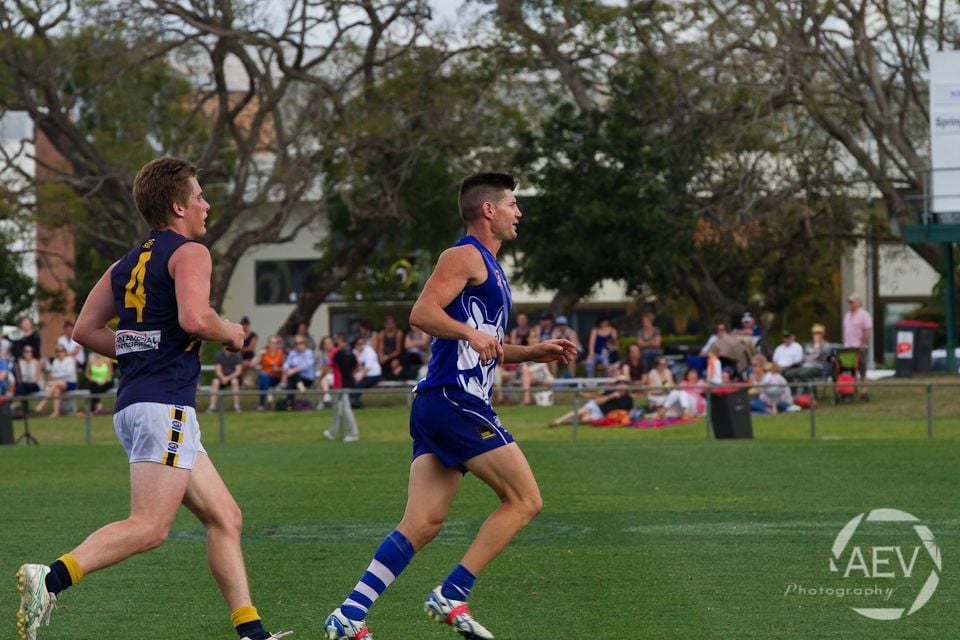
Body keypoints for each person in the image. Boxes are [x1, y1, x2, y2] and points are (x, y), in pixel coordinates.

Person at [15, 157, 288, 640]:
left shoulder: (125, 263)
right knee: (150, 527)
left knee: (226, 516)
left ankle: (253, 632)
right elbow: (195, 320)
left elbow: (84, 330)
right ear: (179, 205)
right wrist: (233, 333)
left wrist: (142, 348)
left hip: (140, 405)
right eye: (200, 196)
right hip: (164, 407)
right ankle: (50, 578)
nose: (206, 204)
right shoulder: (191, 253)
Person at [322, 172, 576, 640]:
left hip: (440, 403)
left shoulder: (493, 269)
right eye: (513, 204)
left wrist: (529, 352)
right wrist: (471, 333)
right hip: (455, 400)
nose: (519, 212)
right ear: (489, 211)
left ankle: (348, 616)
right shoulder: (463, 256)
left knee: (422, 523)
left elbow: (483, 343)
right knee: (525, 500)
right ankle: (453, 593)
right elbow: (421, 313)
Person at [549, 377, 633, 426]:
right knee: (581, 412)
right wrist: (611, 396)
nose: (621, 385)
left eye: (624, 383)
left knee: (585, 419)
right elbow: (597, 401)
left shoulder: (629, 399)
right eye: (619, 383)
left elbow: (626, 413)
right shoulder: (610, 391)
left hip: (602, 415)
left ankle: (564, 422)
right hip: (596, 407)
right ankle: (558, 420)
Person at [324, 334, 360, 442]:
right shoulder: (350, 352)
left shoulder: (336, 352)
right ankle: (332, 431)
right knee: (336, 407)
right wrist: (349, 376)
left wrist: (319, 378)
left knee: (345, 408)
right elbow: (357, 367)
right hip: (346, 383)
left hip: (340, 384)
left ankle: (354, 433)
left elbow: (328, 366)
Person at [33, 344, 78, 418]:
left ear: (65, 351)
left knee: (55, 383)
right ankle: (56, 412)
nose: (60, 353)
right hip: (59, 384)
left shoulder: (70, 359)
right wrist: (61, 374)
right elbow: (53, 375)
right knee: (56, 389)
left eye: (61, 351)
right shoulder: (55, 361)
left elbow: (69, 373)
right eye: (58, 351)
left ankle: (43, 403)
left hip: (70, 383)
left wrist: (58, 374)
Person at [843, 293, 873, 399]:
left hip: (859, 347)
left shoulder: (864, 315)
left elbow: (867, 330)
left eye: (852, 302)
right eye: (849, 302)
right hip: (848, 347)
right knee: (850, 369)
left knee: (862, 368)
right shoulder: (847, 315)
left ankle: (864, 390)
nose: (850, 304)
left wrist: (863, 344)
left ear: (858, 303)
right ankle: (851, 389)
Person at [282, 335, 316, 409]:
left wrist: (293, 370)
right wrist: (287, 372)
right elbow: (286, 365)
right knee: (291, 377)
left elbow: (307, 365)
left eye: (300, 343)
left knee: (292, 374)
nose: (298, 345)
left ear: (305, 343)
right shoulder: (292, 353)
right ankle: (290, 403)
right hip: (296, 379)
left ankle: (289, 403)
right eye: (296, 343)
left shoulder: (309, 352)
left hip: (307, 378)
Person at [253, 335, 285, 411]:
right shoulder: (264, 352)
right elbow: (252, 364)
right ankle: (268, 392)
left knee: (263, 380)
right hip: (265, 376)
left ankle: (261, 404)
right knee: (264, 376)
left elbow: (284, 368)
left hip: (276, 377)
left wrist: (278, 369)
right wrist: (259, 354)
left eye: (274, 343)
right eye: (271, 342)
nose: (272, 345)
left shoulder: (280, 353)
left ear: (277, 344)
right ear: (268, 343)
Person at [208, 345, 243, 413]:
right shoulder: (219, 355)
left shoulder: (237, 355)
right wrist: (223, 378)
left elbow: (238, 371)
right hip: (221, 378)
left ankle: (236, 406)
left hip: (232, 378)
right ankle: (212, 406)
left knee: (235, 381)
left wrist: (228, 378)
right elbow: (218, 370)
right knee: (215, 381)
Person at [351, 335, 382, 409]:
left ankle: (354, 401)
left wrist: (359, 378)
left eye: (362, 344)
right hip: (360, 374)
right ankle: (353, 401)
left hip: (373, 374)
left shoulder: (369, 351)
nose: (361, 346)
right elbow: (355, 367)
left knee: (359, 384)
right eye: (359, 344)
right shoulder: (354, 352)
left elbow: (367, 369)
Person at [377, 313, 405, 380]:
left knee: (394, 364)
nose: (389, 325)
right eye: (388, 323)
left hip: (396, 355)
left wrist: (388, 357)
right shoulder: (382, 334)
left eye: (391, 323)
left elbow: (398, 350)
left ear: (395, 323)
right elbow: (381, 348)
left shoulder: (398, 333)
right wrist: (381, 357)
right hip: (385, 356)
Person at [316, 335, 336, 408]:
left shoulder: (336, 353)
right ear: (323, 345)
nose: (328, 345)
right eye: (326, 343)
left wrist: (327, 370)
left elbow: (335, 368)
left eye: (330, 343)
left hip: (334, 375)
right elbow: (321, 367)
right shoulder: (320, 354)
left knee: (320, 378)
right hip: (325, 374)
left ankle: (322, 401)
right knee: (321, 376)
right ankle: (326, 396)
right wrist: (327, 370)